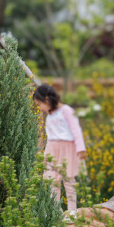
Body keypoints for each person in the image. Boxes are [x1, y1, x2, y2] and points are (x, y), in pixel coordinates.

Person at [33, 84, 86, 212]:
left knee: (68, 180)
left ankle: (72, 211)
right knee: (52, 180)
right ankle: (56, 211)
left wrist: (81, 148)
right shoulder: (50, 116)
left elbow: (76, 130)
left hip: (67, 148)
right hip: (52, 149)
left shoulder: (66, 111)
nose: (40, 108)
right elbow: (50, 136)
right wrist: (46, 153)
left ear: (46, 100)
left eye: (40, 104)